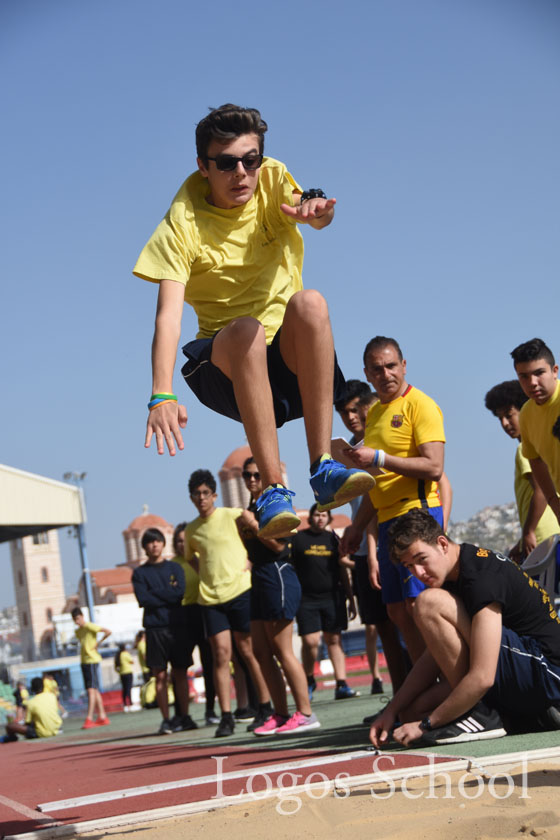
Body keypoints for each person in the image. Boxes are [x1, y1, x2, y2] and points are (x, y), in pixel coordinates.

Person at [133, 103, 374, 538]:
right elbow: (167, 315)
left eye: (250, 159)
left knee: (311, 302)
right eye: (226, 164)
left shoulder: (273, 178)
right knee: (247, 329)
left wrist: (319, 212)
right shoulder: (182, 222)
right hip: (226, 362)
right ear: (203, 167)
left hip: (286, 359)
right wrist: (160, 393)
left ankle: (322, 466)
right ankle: (272, 489)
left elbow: (316, 211)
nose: (241, 173)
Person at [369, 508, 560, 749]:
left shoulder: (480, 576)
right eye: (409, 566)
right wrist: (392, 711)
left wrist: (425, 725)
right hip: (520, 669)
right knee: (411, 712)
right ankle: (525, 715)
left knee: (427, 603)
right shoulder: (453, 574)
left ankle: (482, 715)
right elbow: (432, 659)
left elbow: (482, 677)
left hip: (547, 672)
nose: (418, 573)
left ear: (442, 544)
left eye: (421, 559)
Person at [342, 336, 446, 665]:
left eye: (391, 366)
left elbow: (434, 467)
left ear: (403, 366)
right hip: (386, 524)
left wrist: (380, 457)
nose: (386, 374)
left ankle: (454, 689)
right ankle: (427, 693)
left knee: (422, 607)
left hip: (417, 516)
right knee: (398, 612)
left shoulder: (421, 404)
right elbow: (378, 484)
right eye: (377, 369)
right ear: (367, 374)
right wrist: (356, 528)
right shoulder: (374, 416)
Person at [335, 380, 409, 696]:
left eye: (355, 409)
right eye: (343, 412)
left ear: (368, 405)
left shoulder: (383, 441)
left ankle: (424, 696)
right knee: (383, 628)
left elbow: (378, 502)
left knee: (409, 622)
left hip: (389, 544)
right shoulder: (345, 450)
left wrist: (374, 547)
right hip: (365, 550)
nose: (350, 416)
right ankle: (401, 698)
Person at [184, 469, 271, 737]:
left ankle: (265, 707)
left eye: (205, 493)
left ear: (214, 495)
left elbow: (257, 536)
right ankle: (226, 717)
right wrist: (209, 576)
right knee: (221, 656)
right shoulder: (191, 530)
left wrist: (249, 562)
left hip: (240, 591)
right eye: (196, 494)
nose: (201, 498)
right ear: (191, 498)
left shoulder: (232, 515)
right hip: (211, 598)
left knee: (247, 651)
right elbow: (191, 559)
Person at [237, 456, 320, 735]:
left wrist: (254, 526)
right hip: (259, 576)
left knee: (282, 649)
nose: (251, 480)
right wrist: (243, 528)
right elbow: (253, 551)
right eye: (246, 476)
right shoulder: (250, 508)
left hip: (278, 573)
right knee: (261, 650)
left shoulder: (275, 503)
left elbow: (278, 547)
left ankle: (306, 713)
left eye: (256, 475)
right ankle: (281, 713)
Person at [485, 378, 560, 562]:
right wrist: (521, 542)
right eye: (500, 417)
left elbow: (541, 490)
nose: (504, 423)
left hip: (545, 537)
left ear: (524, 411)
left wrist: (529, 532)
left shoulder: (524, 449)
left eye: (509, 415)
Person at [131, 528, 197, 735]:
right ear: (144, 547)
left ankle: (185, 716)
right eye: (150, 542)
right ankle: (166, 719)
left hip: (177, 626)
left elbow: (179, 593)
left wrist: (156, 594)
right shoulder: (139, 573)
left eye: (157, 541)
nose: (154, 545)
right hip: (154, 628)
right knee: (159, 675)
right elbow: (143, 599)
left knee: (180, 672)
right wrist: (166, 594)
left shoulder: (175, 568)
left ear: (163, 543)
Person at [291, 503, 358, 701]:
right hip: (306, 599)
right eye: (317, 515)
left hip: (332, 597)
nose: (320, 518)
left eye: (324, 515)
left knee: (334, 640)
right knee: (311, 642)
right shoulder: (298, 539)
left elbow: (342, 570)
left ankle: (341, 684)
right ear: (310, 518)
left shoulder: (333, 539)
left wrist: (350, 598)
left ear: (329, 519)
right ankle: (309, 679)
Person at [171, 522, 219, 727]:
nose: (183, 545)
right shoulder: (172, 565)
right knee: (180, 666)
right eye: (179, 541)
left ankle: (210, 710)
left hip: (202, 612)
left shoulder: (201, 560)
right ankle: (181, 714)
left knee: (209, 663)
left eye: (185, 541)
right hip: (181, 617)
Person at [512, 339, 560, 530]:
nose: (532, 382)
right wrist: (553, 501)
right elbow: (535, 459)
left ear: (554, 371)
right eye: (524, 376)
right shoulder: (526, 414)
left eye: (539, 373)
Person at [71, 607, 111, 730]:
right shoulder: (78, 632)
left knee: (91, 689)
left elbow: (107, 631)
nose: (77, 622)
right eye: (74, 620)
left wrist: (98, 644)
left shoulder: (90, 626)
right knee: (94, 689)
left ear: (82, 616)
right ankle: (102, 716)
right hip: (84, 661)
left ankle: (89, 717)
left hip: (92, 661)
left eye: (78, 618)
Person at [2, 677, 62, 743]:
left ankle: (12, 738)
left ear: (32, 689)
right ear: (43, 686)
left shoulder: (31, 703)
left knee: (10, 726)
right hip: (56, 730)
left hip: (41, 733)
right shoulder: (52, 697)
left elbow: (28, 722)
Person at [114, 644, 134, 711]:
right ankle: (130, 702)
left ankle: (125, 702)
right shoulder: (126, 654)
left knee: (124, 688)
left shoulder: (118, 655)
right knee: (129, 687)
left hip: (122, 674)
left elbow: (116, 667)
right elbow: (132, 661)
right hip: (128, 672)